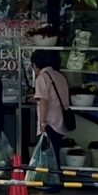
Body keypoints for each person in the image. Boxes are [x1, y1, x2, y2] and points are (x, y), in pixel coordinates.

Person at [30, 49, 73, 183]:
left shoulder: (42, 77)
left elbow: (44, 101)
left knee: (47, 158)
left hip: (49, 124)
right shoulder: (59, 76)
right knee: (54, 156)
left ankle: (50, 188)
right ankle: (53, 186)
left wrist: (42, 123)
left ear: (36, 64)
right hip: (60, 122)